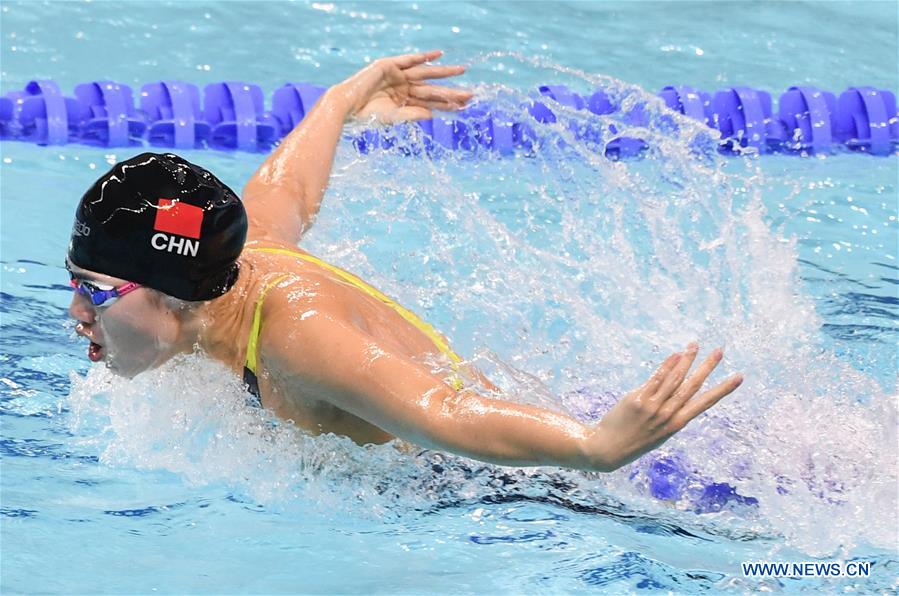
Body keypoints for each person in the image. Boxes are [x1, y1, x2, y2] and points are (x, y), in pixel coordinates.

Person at [67, 50, 743, 472]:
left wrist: (597, 450)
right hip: (552, 428)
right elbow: (285, 193)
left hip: (527, 482)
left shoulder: (293, 335)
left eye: (95, 292)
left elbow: (444, 412)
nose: (75, 314)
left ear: (171, 293)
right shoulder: (237, 267)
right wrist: (341, 102)